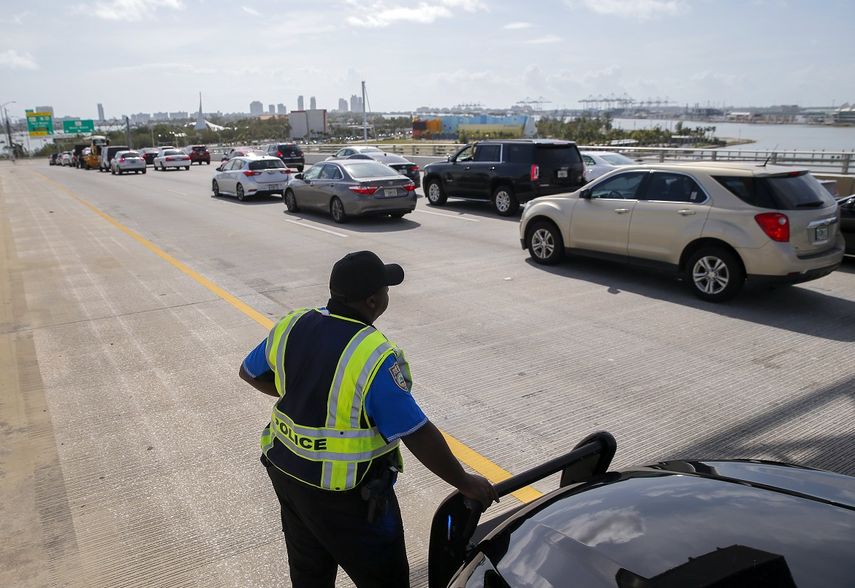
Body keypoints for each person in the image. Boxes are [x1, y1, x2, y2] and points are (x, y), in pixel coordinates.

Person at [239, 250, 497, 588]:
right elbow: (416, 431)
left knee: (309, 573)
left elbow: (249, 371)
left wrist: (295, 390)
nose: (388, 294)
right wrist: (464, 481)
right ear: (373, 301)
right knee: (385, 580)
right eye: (386, 289)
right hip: (347, 499)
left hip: (287, 474)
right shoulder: (372, 355)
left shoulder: (294, 323)